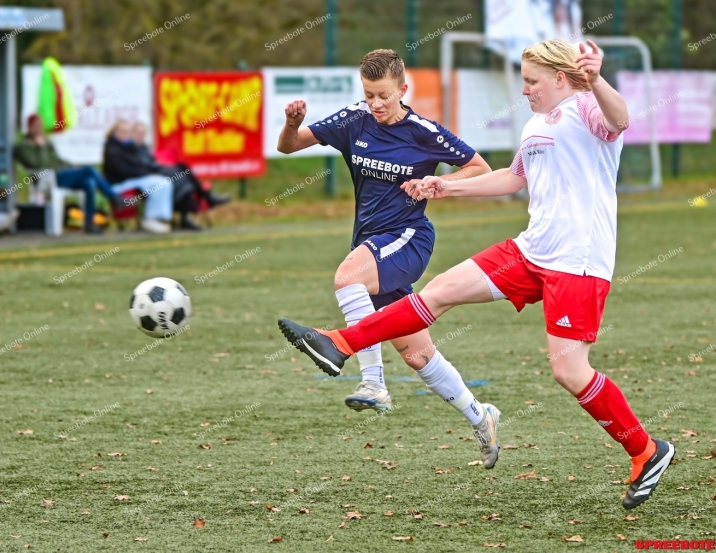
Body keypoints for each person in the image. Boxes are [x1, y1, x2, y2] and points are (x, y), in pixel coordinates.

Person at [278, 39, 674, 510]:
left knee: (569, 370)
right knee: (440, 292)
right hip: (531, 251)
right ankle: (341, 342)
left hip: (577, 262)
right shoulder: (535, 125)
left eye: (531, 82)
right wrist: (444, 186)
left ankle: (646, 450)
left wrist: (598, 80)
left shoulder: (589, 108)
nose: (524, 90)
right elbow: (511, 177)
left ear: (562, 80)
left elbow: (622, 119)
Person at [277, 48, 498, 459]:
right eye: (368, 94)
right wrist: (292, 124)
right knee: (418, 355)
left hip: (408, 237)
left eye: (383, 95)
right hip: (371, 246)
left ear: (402, 89)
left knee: (347, 278)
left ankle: (374, 383)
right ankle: (479, 414)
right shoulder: (353, 119)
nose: (375, 104)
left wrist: (435, 181)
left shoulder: (423, 131)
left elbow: (479, 168)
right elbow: (289, 147)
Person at [14, 114, 125, 234]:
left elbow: (57, 160)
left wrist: (72, 166)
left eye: (40, 125)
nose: (39, 128)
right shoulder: (23, 146)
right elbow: (39, 165)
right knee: (89, 170)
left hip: (60, 174)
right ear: (29, 127)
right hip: (47, 180)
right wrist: (40, 148)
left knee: (89, 183)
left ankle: (89, 223)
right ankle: (114, 197)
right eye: (36, 125)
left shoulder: (47, 142)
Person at [132, 122, 230, 231]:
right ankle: (206, 199)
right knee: (181, 177)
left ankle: (193, 209)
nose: (141, 135)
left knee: (183, 171)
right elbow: (142, 167)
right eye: (138, 132)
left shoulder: (144, 148)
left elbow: (153, 162)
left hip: (156, 172)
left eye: (143, 133)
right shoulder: (131, 149)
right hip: (150, 176)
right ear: (133, 134)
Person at [102, 120, 175, 234]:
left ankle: (160, 218)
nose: (124, 134)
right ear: (114, 132)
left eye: (126, 132)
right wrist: (144, 173)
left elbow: (138, 165)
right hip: (119, 183)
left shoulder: (129, 146)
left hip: (134, 179)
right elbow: (123, 171)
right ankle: (150, 218)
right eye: (121, 131)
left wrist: (144, 173)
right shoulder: (112, 149)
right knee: (158, 183)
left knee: (164, 182)